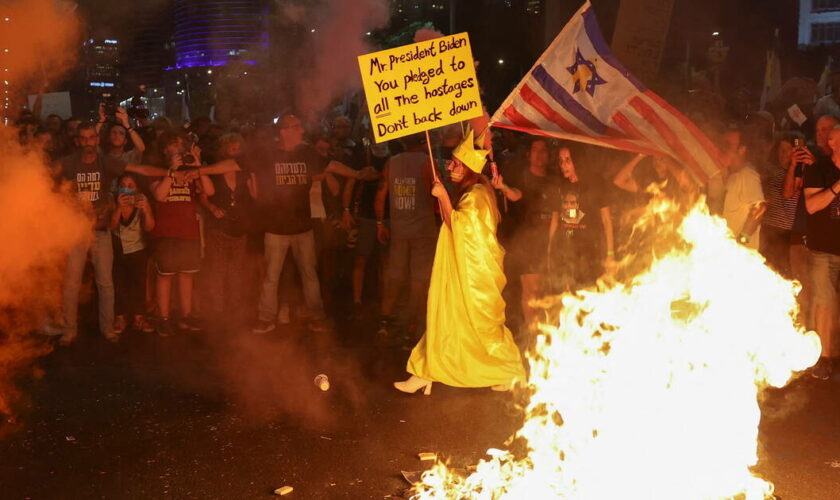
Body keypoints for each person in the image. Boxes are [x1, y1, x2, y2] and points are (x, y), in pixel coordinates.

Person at [394, 129, 525, 394]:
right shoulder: (472, 191)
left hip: (476, 277)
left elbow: (461, 228)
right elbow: (456, 224)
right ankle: (425, 371)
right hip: (462, 270)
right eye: (452, 162)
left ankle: (510, 371)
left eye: (456, 164)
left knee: (484, 327)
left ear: (468, 170)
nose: (450, 166)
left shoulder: (476, 195)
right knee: (446, 318)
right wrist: (443, 197)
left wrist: (442, 197)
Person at [251, 114, 377, 334]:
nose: (301, 130)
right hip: (275, 229)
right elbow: (235, 164)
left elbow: (332, 165)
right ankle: (266, 318)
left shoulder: (306, 152)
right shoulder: (267, 154)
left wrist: (357, 174)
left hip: (303, 227)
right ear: (284, 131)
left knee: (309, 274)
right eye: (296, 127)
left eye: (300, 126)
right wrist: (197, 171)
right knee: (271, 277)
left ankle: (317, 316)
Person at [48, 122, 171, 344]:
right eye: (83, 139)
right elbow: (44, 175)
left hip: (101, 231)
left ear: (96, 140)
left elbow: (139, 169)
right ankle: (69, 329)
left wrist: (171, 172)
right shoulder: (68, 163)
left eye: (91, 138)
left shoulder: (106, 162)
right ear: (78, 141)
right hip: (75, 231)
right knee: (71, 283)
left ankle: (107, 328)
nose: (87, 142)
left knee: (105, 282)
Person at [148, 133, 214, 336]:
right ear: (165, 150)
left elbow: (209, 191)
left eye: (180, 145)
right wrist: (171, 172)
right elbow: (159, 195)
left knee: (186, 275)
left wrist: (198, 166)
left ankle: (186, 316)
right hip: (166, 234)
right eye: (173, 146)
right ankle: (164, 318)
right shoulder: (158, 172)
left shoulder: (191, 171)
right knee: (165, 276)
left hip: (188, 233)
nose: (177, 149)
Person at [374, 133, 438, 341]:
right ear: (423, 142)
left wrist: (380, 223)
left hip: (399, 231)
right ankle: (411, 327)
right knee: (418, 280)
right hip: (423, 232)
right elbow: (436, 193)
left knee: (394, 277)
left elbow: (381, 194)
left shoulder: (391, 163)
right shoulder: (428, 163)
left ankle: (384, 322)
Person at [199, 133, 256, 320]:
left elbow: (255, 195)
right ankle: (218, 309)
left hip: (240, 226)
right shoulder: (213, 171)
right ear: (224, 149)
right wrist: (213, 207)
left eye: (238, 147)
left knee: (237, 270)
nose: (235, 150)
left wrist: (254, 173)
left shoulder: (244, 171)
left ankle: (235, 307)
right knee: (218, 269)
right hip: (219, 227)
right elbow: (203, 197)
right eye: (232, 147)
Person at [550, 144, 616, 291]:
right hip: (566, 253)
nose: (563, 165)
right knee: (568, 299)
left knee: (589, 295)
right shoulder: (561, 186)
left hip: (590, 252)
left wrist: (610, 254)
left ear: (577, 160)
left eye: (568, 160)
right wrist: (551, 250)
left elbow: (606, 220)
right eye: (561, 161)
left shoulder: (595, 182)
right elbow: (556, 220)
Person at [802, 126, 840, 380]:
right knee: (824, 304)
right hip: (823, 251)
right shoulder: (819, 169)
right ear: (833, 141)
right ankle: (823, 359)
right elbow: (812, 206)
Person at [109, 173, 155, 336]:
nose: (126, 188)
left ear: (137, 189)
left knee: (139, 285)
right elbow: (111, 225)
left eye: (130, 185)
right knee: (118, 284)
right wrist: (118, 208)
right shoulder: (113, 202)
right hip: (118, 251)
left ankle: (138, 318)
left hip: (138, 250)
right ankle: (120, 318)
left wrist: (147, 208)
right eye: (123, 184)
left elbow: (149, 227)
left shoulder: (140, 203)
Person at [760, 133, 811, 277]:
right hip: (767, 228)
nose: (784, 154)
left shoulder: (799, 172)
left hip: (785, 232)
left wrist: (796, 164)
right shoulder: (770, 169)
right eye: (781, 149)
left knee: (781, 273)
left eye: (788, 150)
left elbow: (788, 193)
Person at [721, 130, 766, 250]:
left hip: (739, 254)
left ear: (742, 150)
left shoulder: (748, 175)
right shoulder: (734, 175)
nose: (723, 149)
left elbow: (759, 208)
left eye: (727, 145)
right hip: (726, 250)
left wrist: (742, 240)